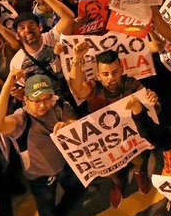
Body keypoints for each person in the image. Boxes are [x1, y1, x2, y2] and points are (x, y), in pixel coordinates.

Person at [0, 72, 79, 216]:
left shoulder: (59, 105)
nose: (43, 104)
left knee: (75, 190)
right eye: (37, 100)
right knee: (47, 210)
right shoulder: (21, 119)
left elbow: (75, 121)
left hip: (66, 165)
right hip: (40, 176)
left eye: (46, 98)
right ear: (26, 100)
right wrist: (7, 84)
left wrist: (67, 125)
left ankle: (61, 214)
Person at [66, 44, 158, 206]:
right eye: (105, 74)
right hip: (106, 143)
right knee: (110, 167)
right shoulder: (94, 88)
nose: (111, 78)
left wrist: (153, 101)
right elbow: (77, 90)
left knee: (138, 158)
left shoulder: (132, 85)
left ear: (122, 69)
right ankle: (116, 182)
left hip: (130, 139)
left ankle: (138, 172)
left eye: (115, 72)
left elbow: (153, 110)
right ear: (98, 75)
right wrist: (77, 59)